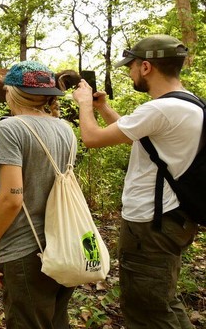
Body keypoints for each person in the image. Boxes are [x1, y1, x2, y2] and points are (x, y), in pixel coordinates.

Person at [73, 34, 199, 329]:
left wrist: (84, 105)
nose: (129, 73)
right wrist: (103, 107)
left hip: (150, 226)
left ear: (145, 67)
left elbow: (91, 139)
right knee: (163, 300)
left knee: (146, 312)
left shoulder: (160, 109)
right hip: (174, 218)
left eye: (130, 67)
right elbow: (138, 136)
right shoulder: (188, 103)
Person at [0, 60, 77, 328]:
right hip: (64, 245)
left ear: (12, 92)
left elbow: (12, 198)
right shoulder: (65, 129)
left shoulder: (10, 128)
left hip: (26, 251)